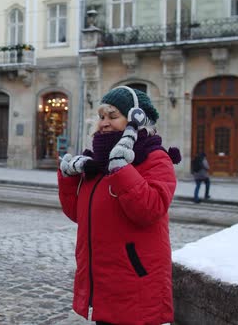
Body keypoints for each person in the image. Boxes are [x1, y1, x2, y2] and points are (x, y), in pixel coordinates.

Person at [57, 87, 181, 325]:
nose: (104, 123)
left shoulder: (155, 158)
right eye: (102, 117)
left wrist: (122, 169)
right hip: (104, 279)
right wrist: (69, 177)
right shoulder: (96, 163)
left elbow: (149, 209)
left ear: (136, 119)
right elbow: (78, 214)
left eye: (113, 116)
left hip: (135, 280)